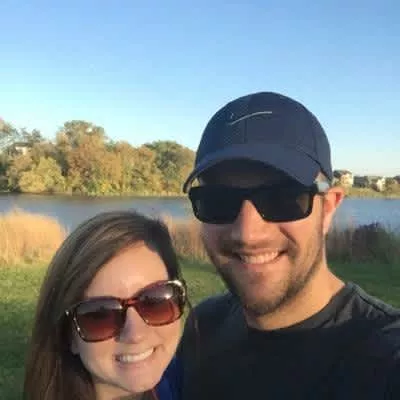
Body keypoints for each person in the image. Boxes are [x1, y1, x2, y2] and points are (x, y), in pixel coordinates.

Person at [179, 91, 400, 399]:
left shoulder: (384, 360)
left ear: (328, 208)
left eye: (282, 198)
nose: (247, 234)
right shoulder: (204, 326)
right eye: (218, 201)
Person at [24, 210, 187, 400]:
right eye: (100, 316)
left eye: (155, 301)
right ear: (68, 336)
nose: (135, 334)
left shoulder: (193, 379)